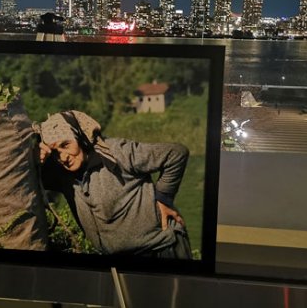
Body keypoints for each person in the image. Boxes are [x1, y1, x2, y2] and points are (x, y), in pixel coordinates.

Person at [37, 110, 192, 259]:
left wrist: (164, 198)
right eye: (55, 152)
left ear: (81, 137)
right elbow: (32, 181)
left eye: (66, 145)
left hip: (161, 249)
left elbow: (175, 154)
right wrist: (36, 157)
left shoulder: (117, 153)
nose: (63, 157)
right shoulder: (63, 174)